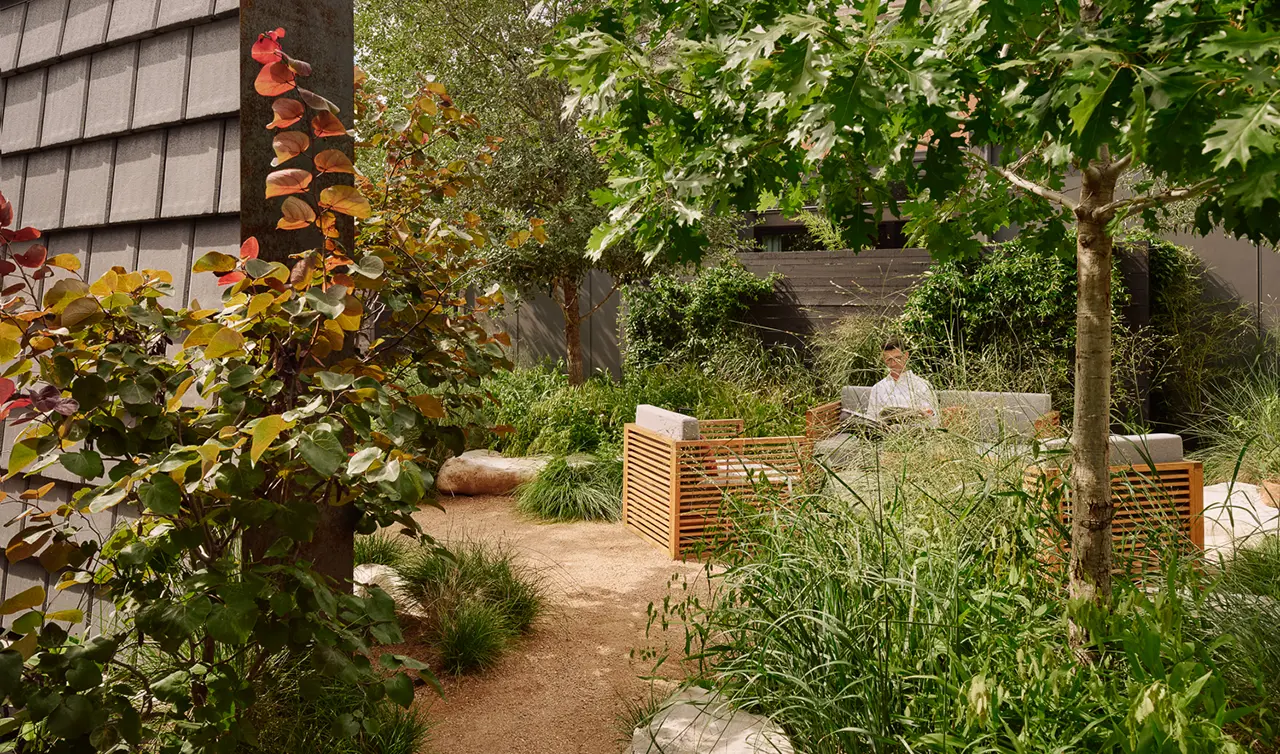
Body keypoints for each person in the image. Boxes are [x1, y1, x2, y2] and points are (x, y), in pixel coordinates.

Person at [865, 339, 939, 428]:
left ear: (906, 356)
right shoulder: (878, 388)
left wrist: (925, 415)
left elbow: (935, 422)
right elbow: (870, 421)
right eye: (889, 360)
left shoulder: (922, 385)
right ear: (883, 360)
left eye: (897, 358)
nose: (893, 363)